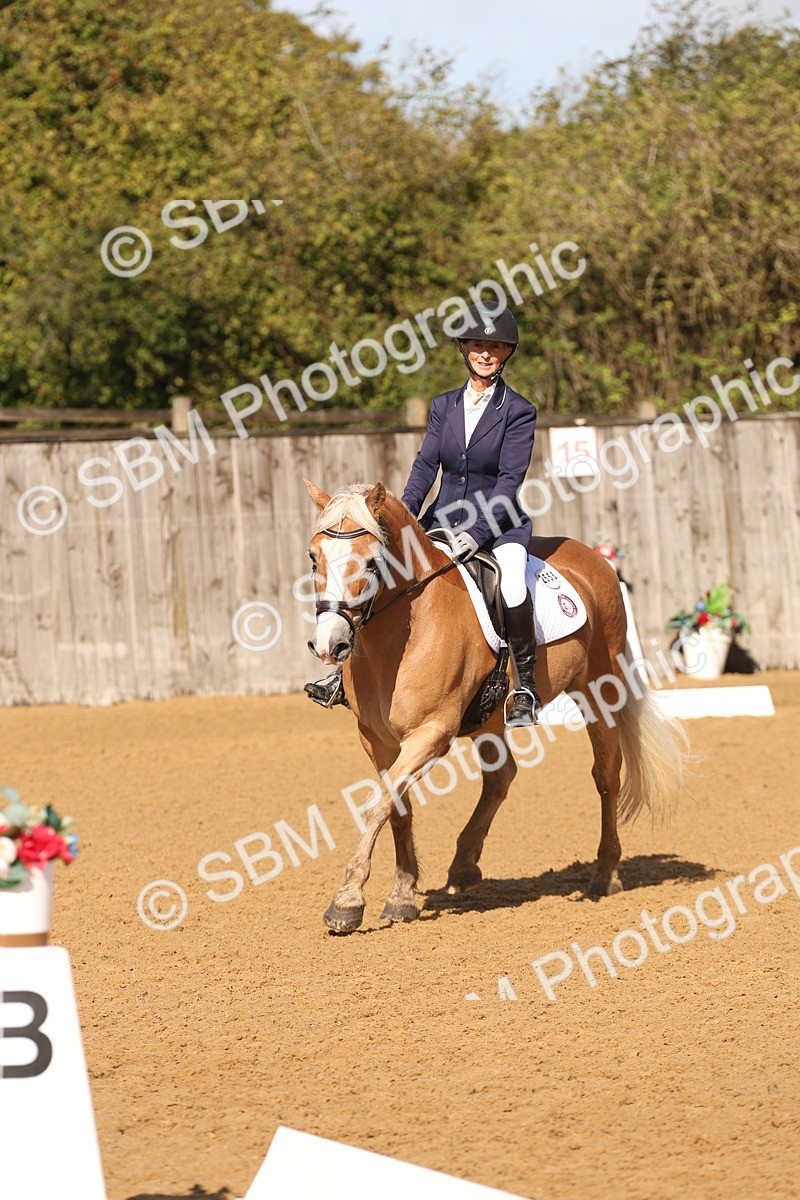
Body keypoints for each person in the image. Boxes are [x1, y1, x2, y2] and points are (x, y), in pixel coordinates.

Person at [305, 303, 541, 725]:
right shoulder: (444, 406)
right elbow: (425, 467)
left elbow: (509, 480)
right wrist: (398, 517)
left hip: (499, 527)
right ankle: (343, 674)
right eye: (477, 345)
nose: (485, 353)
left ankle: (524, 686)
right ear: (464, 349)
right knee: (379, 575)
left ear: (507, 353)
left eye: (495, 346)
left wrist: (481, 530)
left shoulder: (519, 411)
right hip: (442, 520)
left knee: (511, 587)